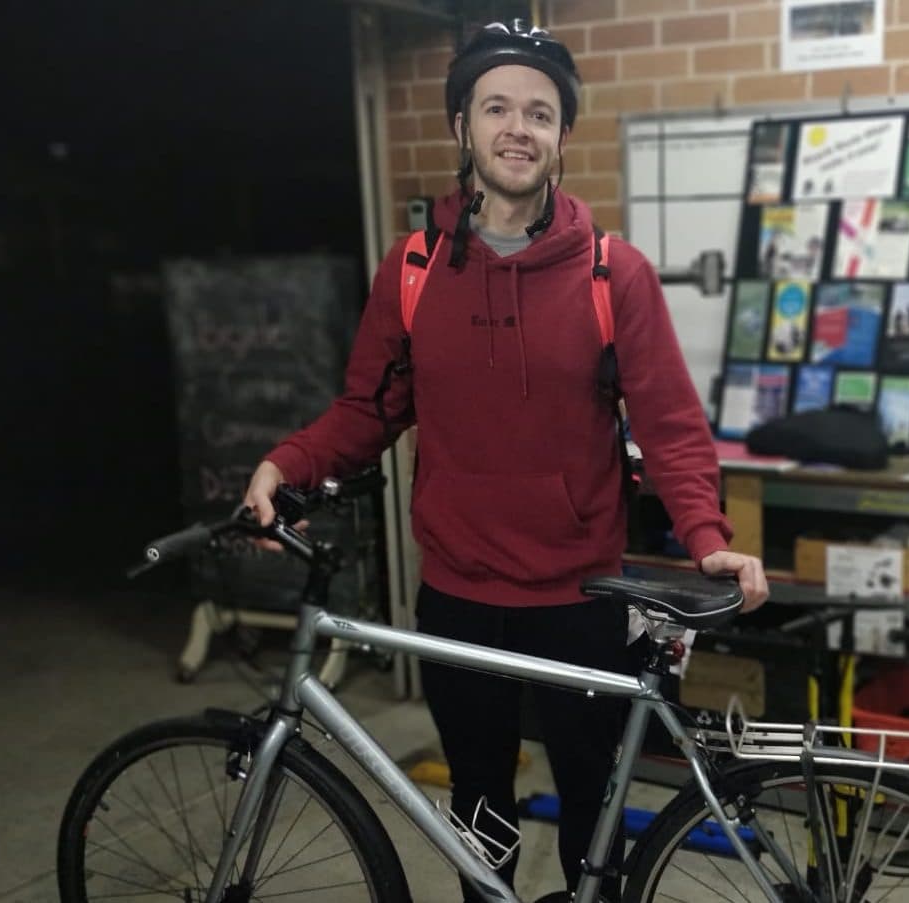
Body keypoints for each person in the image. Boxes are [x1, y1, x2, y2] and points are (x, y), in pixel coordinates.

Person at [241, 18, 769, 902]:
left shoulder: (613, 273)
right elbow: (370, 408)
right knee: (479, 806)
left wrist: (705, 535)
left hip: (579, 597)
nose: (517, 127)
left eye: (539, 111)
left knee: (591, 816)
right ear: (462, 126)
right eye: (496, 107)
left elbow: (671, 426)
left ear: (562, 136)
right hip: (456, 592)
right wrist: (286, 464)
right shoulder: (410, 270)